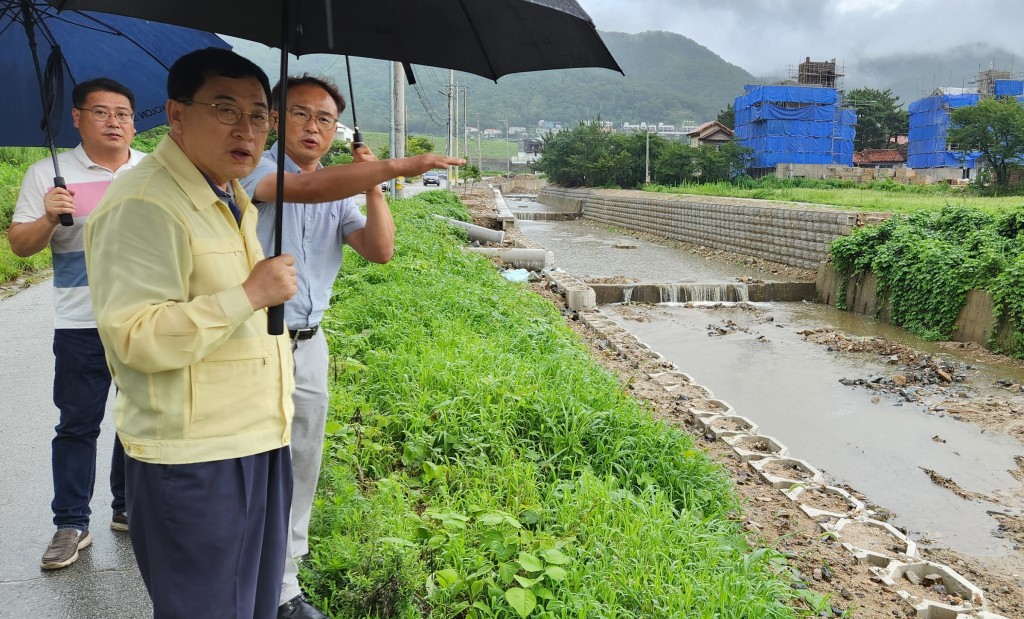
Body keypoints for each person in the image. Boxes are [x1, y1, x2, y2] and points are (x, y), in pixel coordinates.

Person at [83, 48, 298, 618]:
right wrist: (249, 295)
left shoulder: (226, 193)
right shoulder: (146, 204)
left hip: (256, 439)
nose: (246, 129)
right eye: (225, 110)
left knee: (252, 607)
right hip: (196, 458)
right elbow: (135, 337)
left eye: (259, 115)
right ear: (176, 115)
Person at [239, 75, 464, 619]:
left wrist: (372, 185)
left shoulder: (338, 188)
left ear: (337, 130)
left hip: (310, 342)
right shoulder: (256, 170)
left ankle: (285, 587)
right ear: (273, 119)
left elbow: (380, 250)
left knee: (301, 463)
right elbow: (306, 190)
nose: (312, 127)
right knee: (247, 462)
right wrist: (395, 166)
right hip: (252, 342)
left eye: (324, 119)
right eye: (299, 114)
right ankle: (239, 577)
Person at [9, 77, 144, 570]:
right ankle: (70, 524)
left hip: (144, 319)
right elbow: (21, 246)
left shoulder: (154, 172)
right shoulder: (48, 173)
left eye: (123, 113)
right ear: (76, 117)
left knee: (139, 416)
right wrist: (48, 218)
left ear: (135, 122)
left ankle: (128, 507)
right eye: (102, 112)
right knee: (77, 424)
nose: (114, 122)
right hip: (80, 320)